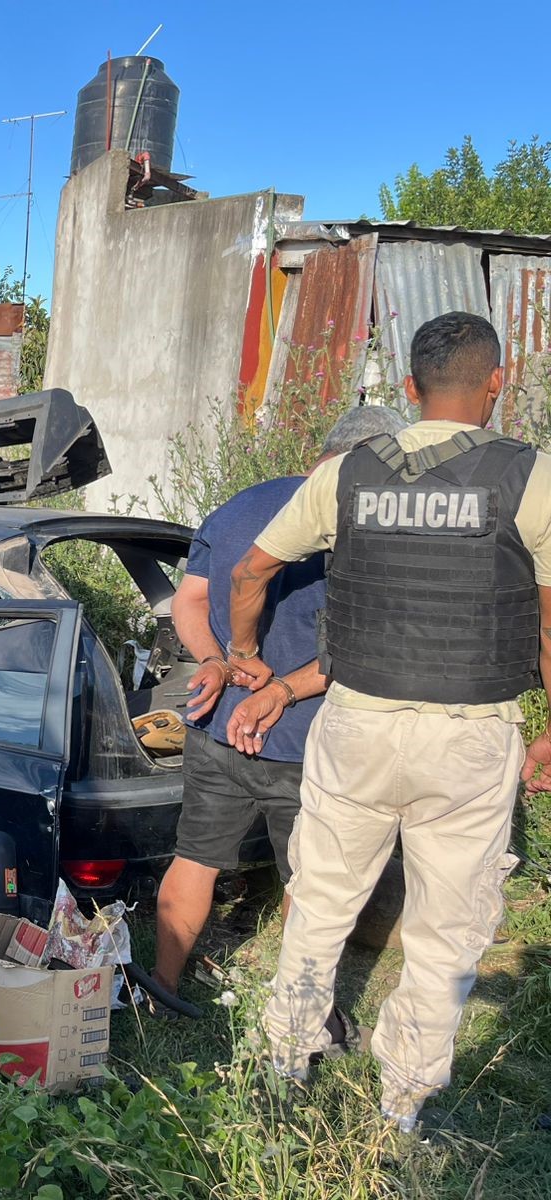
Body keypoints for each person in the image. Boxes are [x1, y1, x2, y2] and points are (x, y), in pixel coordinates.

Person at [227, 311, 551, 1133]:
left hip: (358, 720)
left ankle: (283, 1061)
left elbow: (254, 569)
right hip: (470, 736)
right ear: (496, 383)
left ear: (408, 389)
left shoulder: (350, 473)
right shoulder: (531, 477)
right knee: (446, 928)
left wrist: (242, 652)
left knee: (323, 898)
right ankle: (400, 1105)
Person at [150, 406, 411, 1001]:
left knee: (194, 860)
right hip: (305, 743)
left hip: (215, 731)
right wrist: (280, 690)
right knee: (309, 883)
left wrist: (218, 660)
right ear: (370, 458)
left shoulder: (240, 506)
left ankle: (162, 987)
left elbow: (187, 603)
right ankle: (294, 1010)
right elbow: (358, 645)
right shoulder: (362, 523)